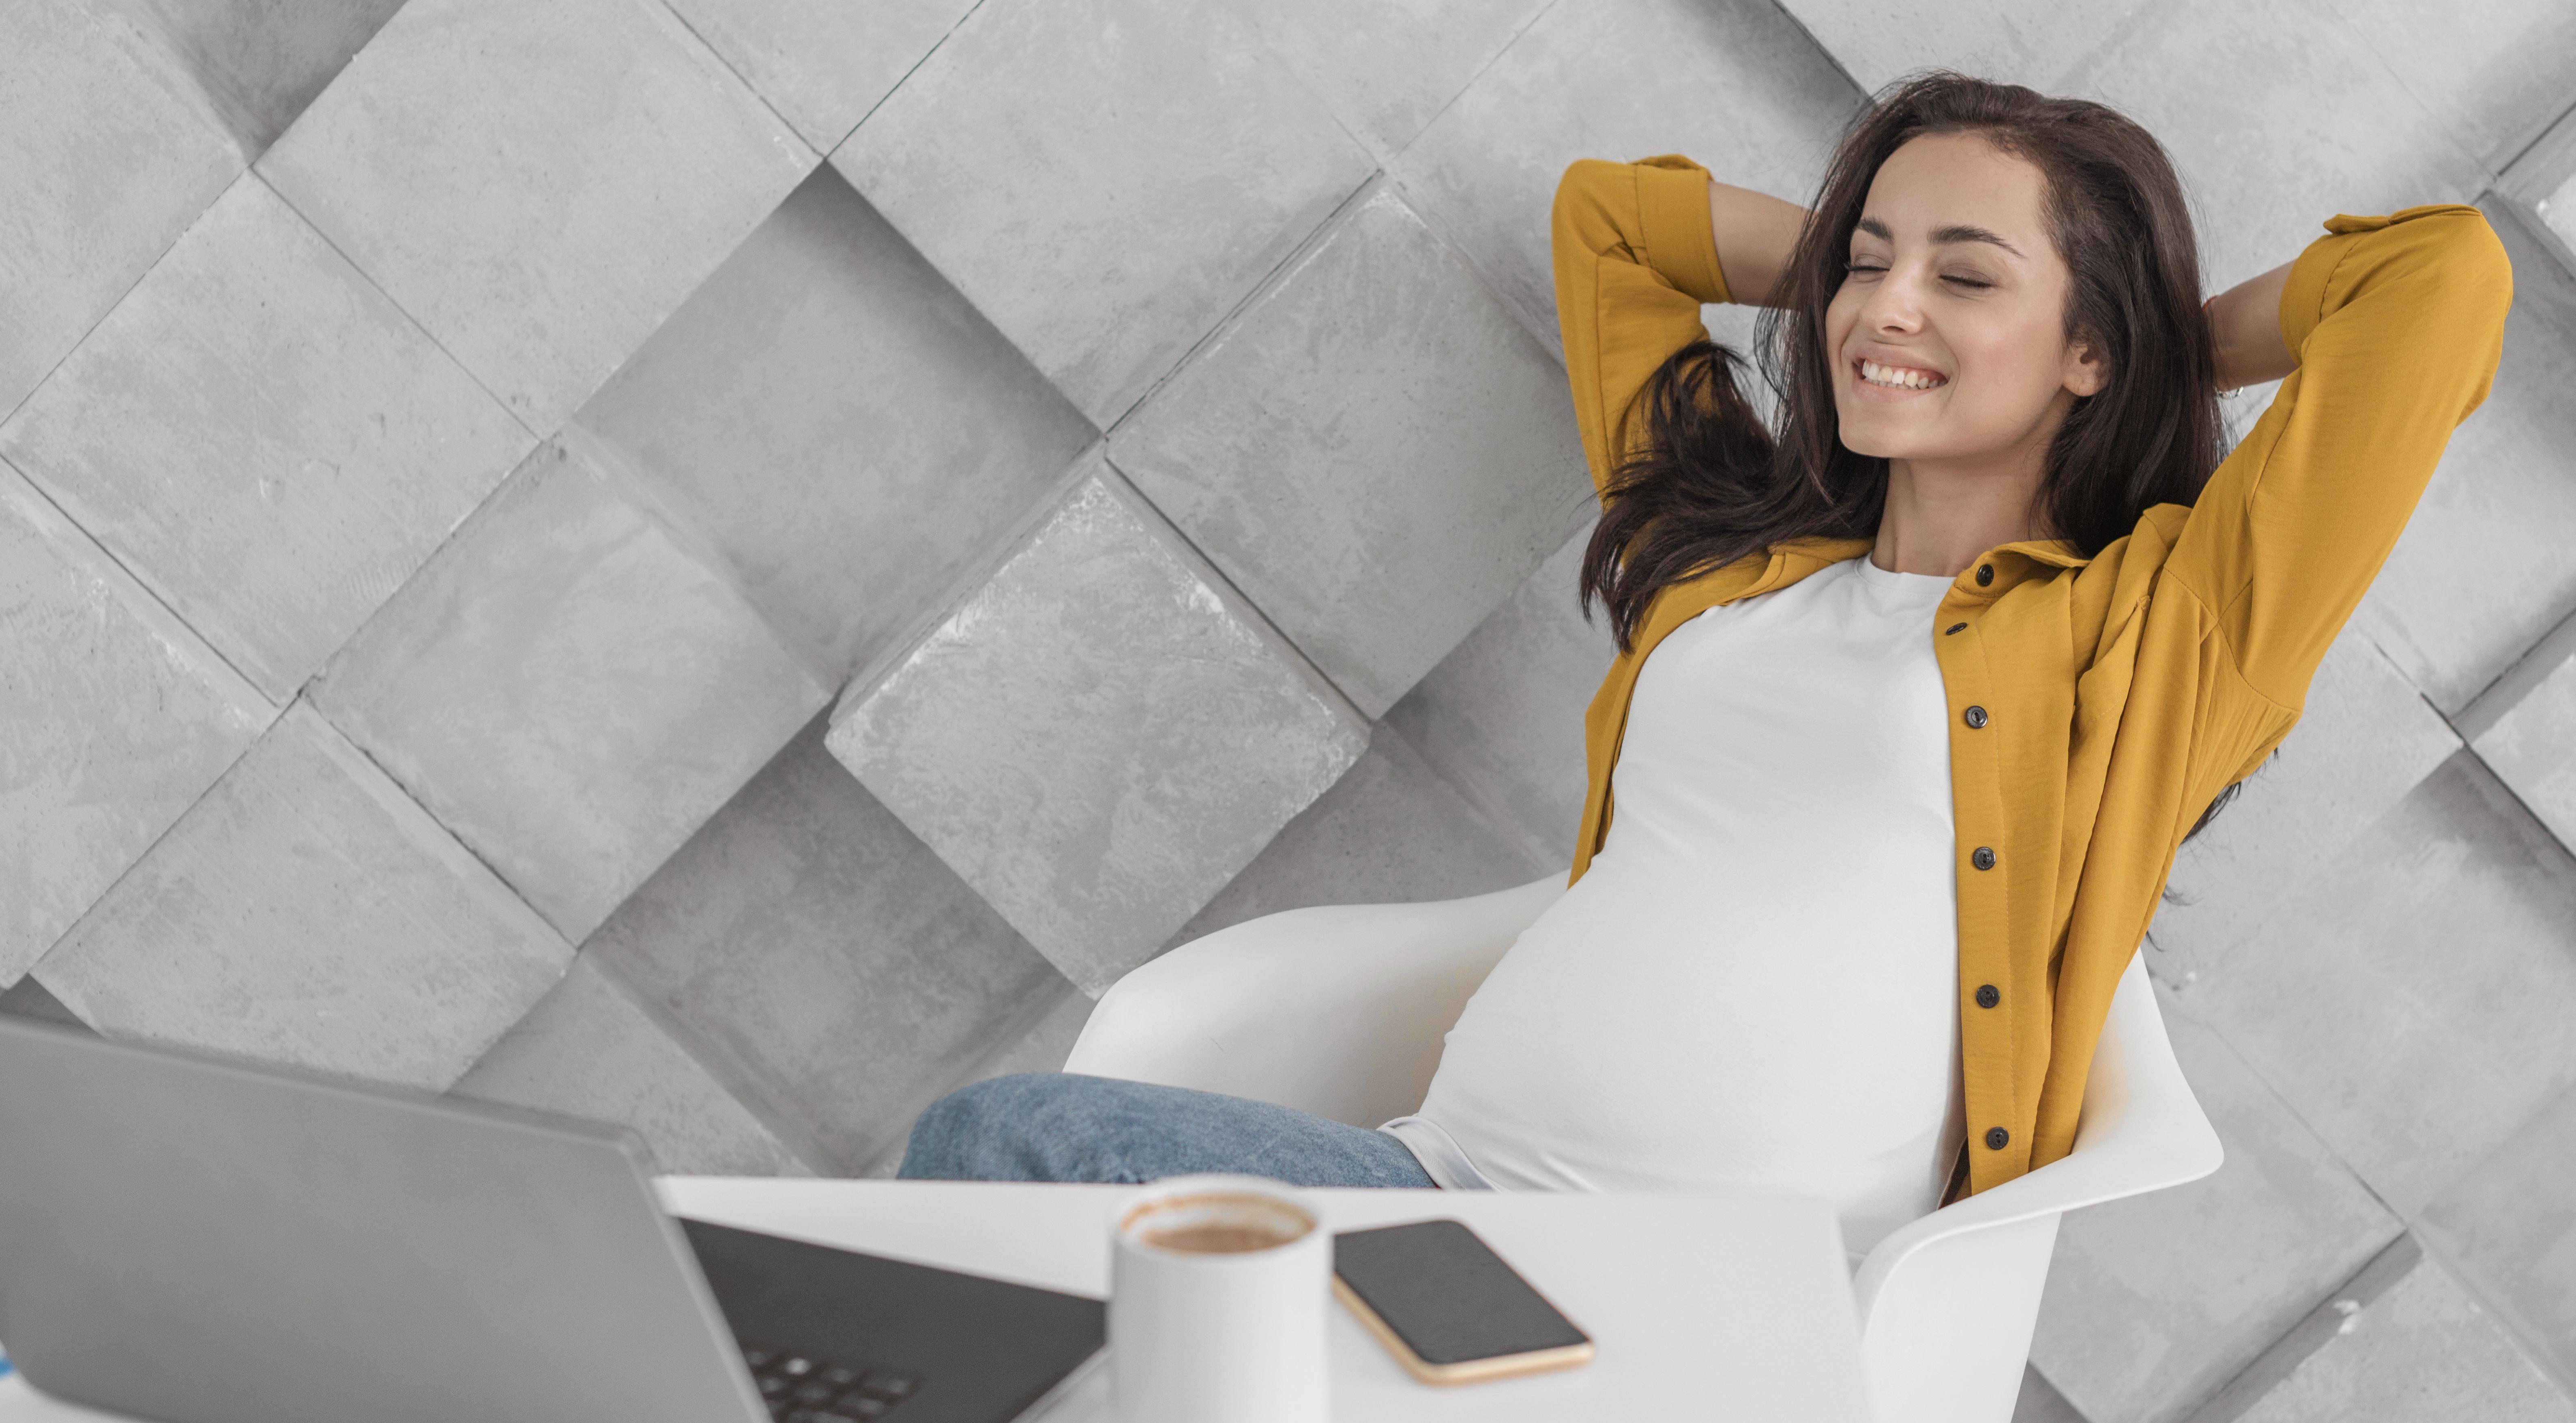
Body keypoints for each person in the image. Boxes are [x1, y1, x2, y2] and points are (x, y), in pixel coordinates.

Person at [896, 73, 2512, 1259]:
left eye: (1964, 273)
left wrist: (2156, 329)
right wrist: (1927, 288)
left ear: (2090, 348)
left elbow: (2438, 280)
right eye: (1862, 261)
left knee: (1040, 1225)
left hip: (1706, 1285)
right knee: (997, 1149)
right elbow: (1613, 223)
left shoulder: (2161, 631)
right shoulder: (1723, 557)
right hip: (1433, 1204)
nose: (1881, 306)